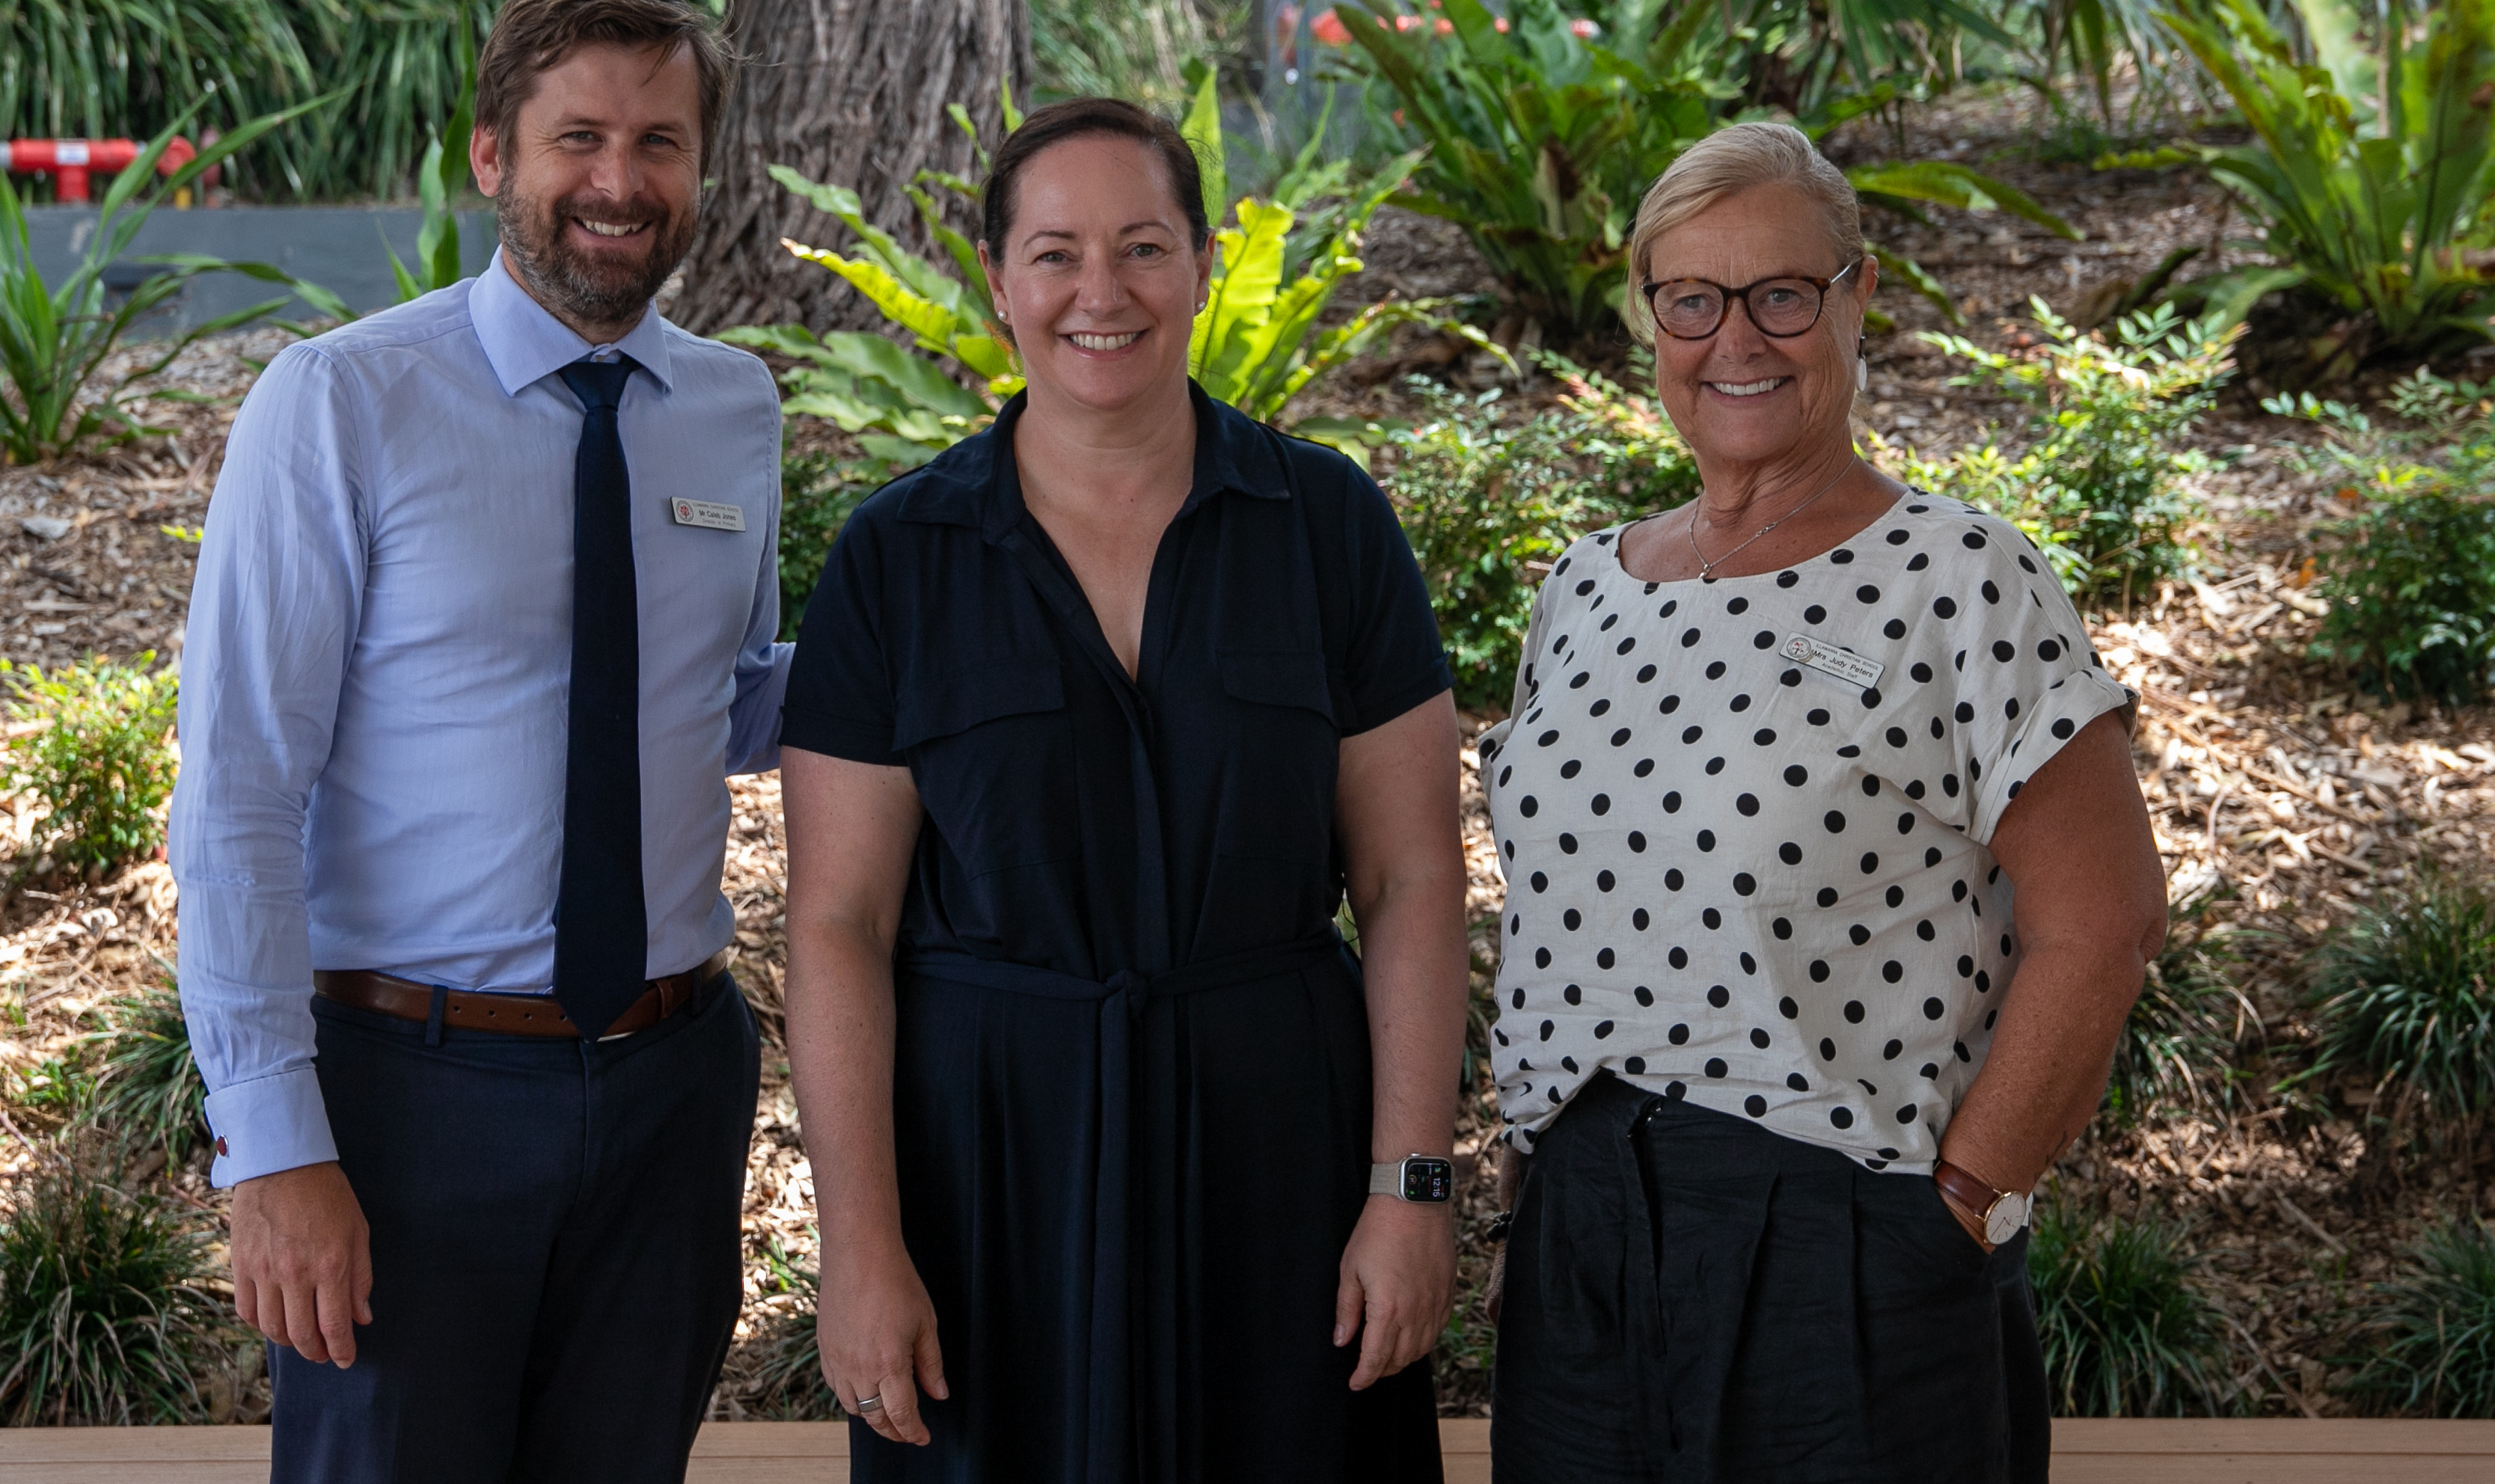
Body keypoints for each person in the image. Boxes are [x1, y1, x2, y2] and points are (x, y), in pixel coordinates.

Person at [778, 97, 1469, 1480]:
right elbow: (837, 923)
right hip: (989, 1174)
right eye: (1055, 253)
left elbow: (1408, 880)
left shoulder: (1328, 527)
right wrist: (859, 1248)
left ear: (1202, 268)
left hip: (1281, 1150)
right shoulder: (896, 560)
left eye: (1144, 247)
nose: (1102, 292)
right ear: (997, 281)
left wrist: (1410, 1190)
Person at [1478, 122, 2167, 1483]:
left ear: (1857, 295)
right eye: (1693, 297)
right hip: (1585, 1237)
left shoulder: (1959, 576)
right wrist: (1539, 1197)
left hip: (1845, 1238)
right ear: (1648, 315)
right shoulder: (1582, 592)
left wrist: (1964, 1202)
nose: (1736, 337)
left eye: (1782, 293)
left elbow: (2106, 922)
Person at [173, 0, 783, 1483]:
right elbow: (238, 787)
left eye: (657, 143)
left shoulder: (733, 407)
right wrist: (273, 1143)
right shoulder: (341, 402)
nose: (618, 182)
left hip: (666, 1085)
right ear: (491, 155)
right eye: (578, 137)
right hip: (406, 1099)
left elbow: (732, 696)